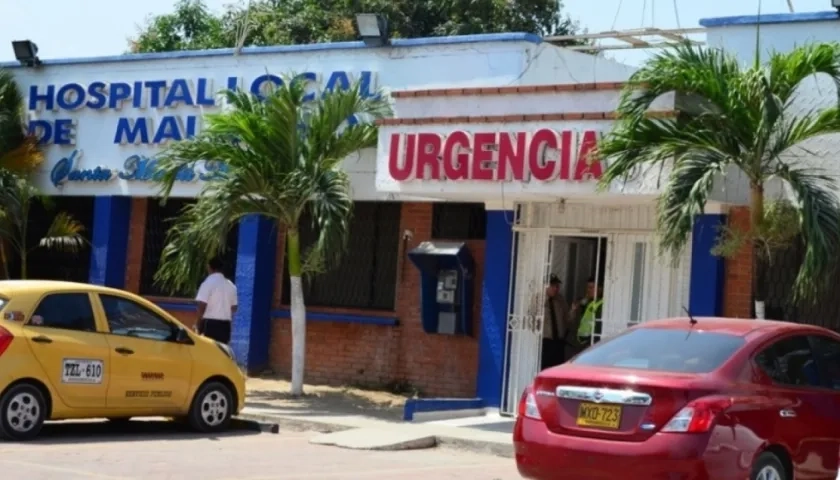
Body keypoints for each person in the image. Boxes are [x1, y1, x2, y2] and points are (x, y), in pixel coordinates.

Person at [195, 257, 238, 344]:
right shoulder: (231, 286)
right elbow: (234, 308)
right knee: (222, 351)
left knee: (208, 351)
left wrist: (198, 324)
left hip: (210, 324)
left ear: (209, 268)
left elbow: (202, 305)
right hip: (225, 325)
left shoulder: (207, 283)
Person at [539, 274, 572, 369]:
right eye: (552, 286)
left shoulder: (560, 299)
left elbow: (567, 319)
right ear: (545, 286)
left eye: (557, 286)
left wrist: (573, 311)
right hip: (545, 342)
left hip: (558, 342)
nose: (555, 289)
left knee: (557, 368)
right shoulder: (539, 299)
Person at [575, 279, 604, 347]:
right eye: (587, 287)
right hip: (585, 342)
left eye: (591, 287)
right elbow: (578, 303)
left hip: (593, 342)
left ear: (599, 289)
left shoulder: (600, 304)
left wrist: (595, 341)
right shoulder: (589, 302)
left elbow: (599, 326)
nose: (588, 290)